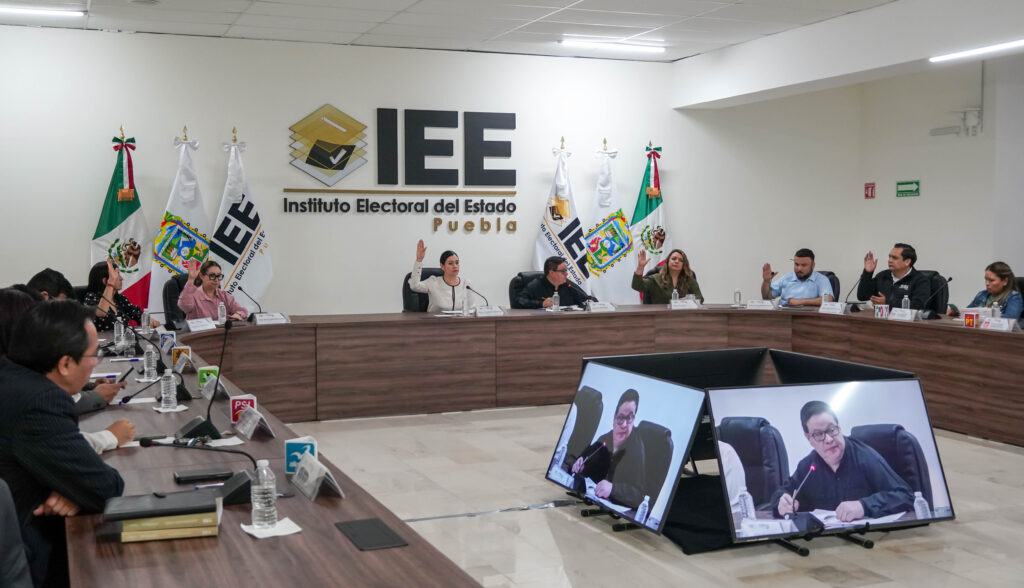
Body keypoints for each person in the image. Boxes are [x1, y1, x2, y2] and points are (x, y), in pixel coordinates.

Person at [0, 300, 125, 586]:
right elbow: (106, 488)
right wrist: (76, 488)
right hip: (25, 551)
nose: (95, 363)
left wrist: (70, 488)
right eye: (94, 355)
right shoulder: (41, 401)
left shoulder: (10, 376)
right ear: (65, 364)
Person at [770, 401, 913, 523]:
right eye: (818, 434)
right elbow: (783, 492)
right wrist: (782, 503)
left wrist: (863, 506)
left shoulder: (865, 457)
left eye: (831, 429)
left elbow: (905, 495)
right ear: (809, 439)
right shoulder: (808, 467)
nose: (828, 439)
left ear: (839, 427)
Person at [571, 389, 647, 509]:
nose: (624, 425)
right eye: (621, 418)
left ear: (634, 419)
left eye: (629, 418)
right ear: (614, 418)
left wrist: (613, 489)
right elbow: (585, 456)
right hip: (590, 502)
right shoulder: (605, 439)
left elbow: (638, 496)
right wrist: (580, 464)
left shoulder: (637, 450)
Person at [82, 259, 160, 331]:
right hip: (103, 341)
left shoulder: (120, 299)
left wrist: (150, 320)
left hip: (124, 340)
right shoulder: (91, 297)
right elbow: (101, 312)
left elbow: (137, 314)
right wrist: (110, 284)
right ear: (105, 280)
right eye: (117, 275)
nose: (121, 278)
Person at [408, 240, 475, 313]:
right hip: (435, 319)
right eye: (450, 263)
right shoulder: (433, 282)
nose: (455, 266)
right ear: (442, 266)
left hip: (459, 320)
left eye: (457, 263)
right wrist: (419, 260)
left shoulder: (466, 284)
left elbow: (471, 309)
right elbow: (414, 286)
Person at [857, 243, 931, 309]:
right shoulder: (882, 276)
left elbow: (918, 305)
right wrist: (867, 273)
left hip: (906, 320)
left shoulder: (921, 280)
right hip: (881, 318)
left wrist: (888, 303)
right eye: (890, 257)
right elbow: (862, 296)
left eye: (894, 258)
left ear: (907, 262)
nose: (890, 260)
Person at [177, 259, 248, 321]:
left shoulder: (224, 295)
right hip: (200, 332)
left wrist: (238, 314)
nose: (216, 280)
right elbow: (184, 306)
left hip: (221, 332)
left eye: (218, 276)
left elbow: (242, 311)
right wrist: (191, 279)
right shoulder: (193, 295)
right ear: (201, 276)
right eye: (212, 276)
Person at [947, 261, 1022, 320]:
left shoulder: (1014, 297)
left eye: (991, 280)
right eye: (986, 279)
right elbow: (968, 311)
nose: (987, 283)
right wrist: (957, 313)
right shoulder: (982, 294)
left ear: (1005, 281)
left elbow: (1010, 319)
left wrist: (983, 316)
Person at [761, 248, 834, 307]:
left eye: (804, 265)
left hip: (810, 317)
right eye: (796, 264)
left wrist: (800, 302)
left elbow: (827, 300)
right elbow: (767, 297)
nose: (799, 268)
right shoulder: (787, 278)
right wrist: (766, 281)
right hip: (785, 316)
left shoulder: (821, 279)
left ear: (813, 265)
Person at [517, 256, 595, 309]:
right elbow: (519, 301)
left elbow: (586, 298)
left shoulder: (568, 285)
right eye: (563, 271)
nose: (566, 274)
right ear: (551, 272)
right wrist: (541, 304)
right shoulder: (537, 284)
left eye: (566, 270)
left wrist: (589, 301)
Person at [631, 249, 704, 304]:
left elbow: (700, 298)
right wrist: (640, 267)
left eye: (681, 260)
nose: (677, 261)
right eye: (674, 258)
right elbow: (636, 286)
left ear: (684, 265)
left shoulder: (689, 279)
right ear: (667, 262)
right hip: (659, 317)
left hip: (683, 317)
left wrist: (686, 300)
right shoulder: (655, 279)